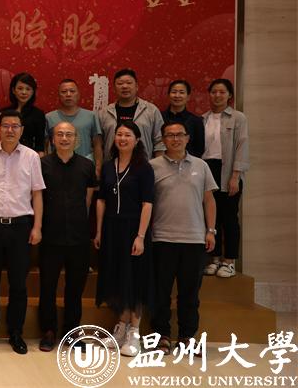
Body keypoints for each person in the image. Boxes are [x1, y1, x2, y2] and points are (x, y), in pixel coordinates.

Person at [0, 109, 45, 355]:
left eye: (15, 126)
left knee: (18, 284)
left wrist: (37, 226)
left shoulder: (31, 157)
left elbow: (37, 193)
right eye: (6, 125)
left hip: (20, 227)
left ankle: (16, 332)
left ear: (21, 130)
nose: (10, 130)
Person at [150, 121, 217, 354]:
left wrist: (211, 230)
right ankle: (161, 335)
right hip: (162, 239)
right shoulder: (152, 166)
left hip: (194, 239)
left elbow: (209, 200)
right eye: (170, 135)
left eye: (180, 135)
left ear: (188, 138)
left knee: (190, 293)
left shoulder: (201, 165)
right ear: (163, 140)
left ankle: (187, 337)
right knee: (161, 292)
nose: (175, 139)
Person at [94, 120, 155, 357]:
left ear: (137, 140)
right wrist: (99, 231)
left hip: (134, 228)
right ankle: (120, 328)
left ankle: (134, 333)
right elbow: (101, 200)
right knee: (117, 277)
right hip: (111, 228)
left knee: (135, 279)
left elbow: (147, 203)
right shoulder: (109, 166)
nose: (122, 138)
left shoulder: (144, 168)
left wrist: (140, 236)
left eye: (127, 135)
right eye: (119, 134)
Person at [38, 121, 97, 352]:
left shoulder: (87, 165)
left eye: (69, 135)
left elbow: (88, 200)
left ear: (76, 139)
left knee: (75, 288)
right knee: (47, 287)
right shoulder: (42, 164)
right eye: (60, 134)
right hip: (50, 236)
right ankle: (48, 331)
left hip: (78, 236)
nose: (64, 138)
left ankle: (72, 333)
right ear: (52, 139)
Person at [202, 78, 249, 279]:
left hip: (228, 170)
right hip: (207, 168)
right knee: (212, 216)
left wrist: (235, 176)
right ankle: (214, 258)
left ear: (229, 95)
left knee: (229, 218)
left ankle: (229, 261)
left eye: (222, 92)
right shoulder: (203, 118)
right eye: (214, 91)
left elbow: (242, 146)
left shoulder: (238, 118)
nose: (217, 95)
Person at [97, 68, 165, 161]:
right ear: (114, 88)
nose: (124, 86)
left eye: (129, 83)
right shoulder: (104, 113)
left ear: (136, 86)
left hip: (143, 164)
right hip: (112, 165)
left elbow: (160, 142)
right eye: (120, 83)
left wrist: (158, 166)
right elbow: (98, 144)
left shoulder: (151, 110)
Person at [45, 78, 103, 176]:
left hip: (85, 167)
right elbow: (46, 146)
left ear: (78, 94)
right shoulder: (49, 117)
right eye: (64, 92)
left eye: (72, 91)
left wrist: (98, 168)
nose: (68, 94)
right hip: (57, 167)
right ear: (59, 95)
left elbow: (97, 144)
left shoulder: (91, 116)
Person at [161, 79, 205, 159]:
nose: (177, 95)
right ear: (168, 95)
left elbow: (199, 149)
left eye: (181, 92)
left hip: (188, 163)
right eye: (174, 92)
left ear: (188, 97)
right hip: (162, 162)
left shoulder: (196, 121)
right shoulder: (159, 117)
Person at [8, 72, 46, 154]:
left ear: (33, 92)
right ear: (13, 90)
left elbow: (40, 145)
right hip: (6, 155)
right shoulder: (5, 113)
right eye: (20, 88)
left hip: (29, 156)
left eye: (28, 89)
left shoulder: (38, 114)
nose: (24, 92)